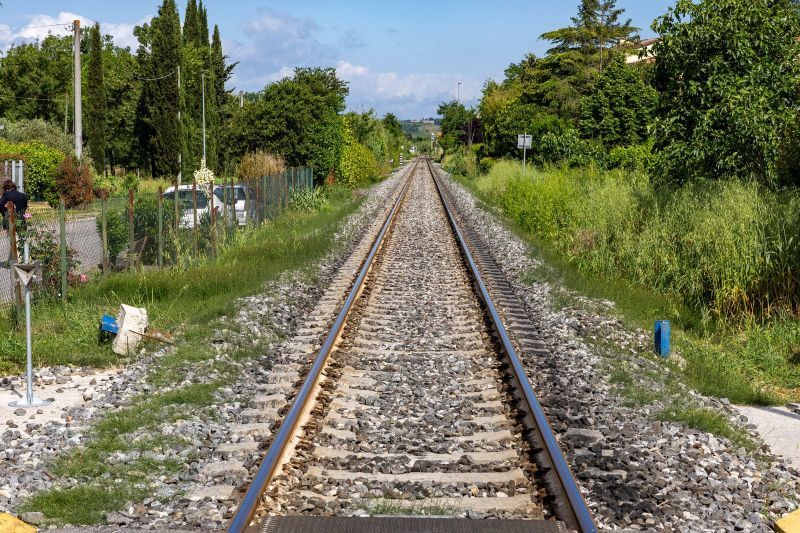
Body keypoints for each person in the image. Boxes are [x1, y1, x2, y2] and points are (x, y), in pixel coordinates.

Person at [0, 179, 28, 268]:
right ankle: (13, 260)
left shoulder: (6, 194)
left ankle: (16, 261)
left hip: (10, 220)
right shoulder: (23, 196)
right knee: (20, 239)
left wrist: (4, 211)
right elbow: (24, 208)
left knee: (13, 241)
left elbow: (0, 205)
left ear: (6, 188)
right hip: (22, 220)